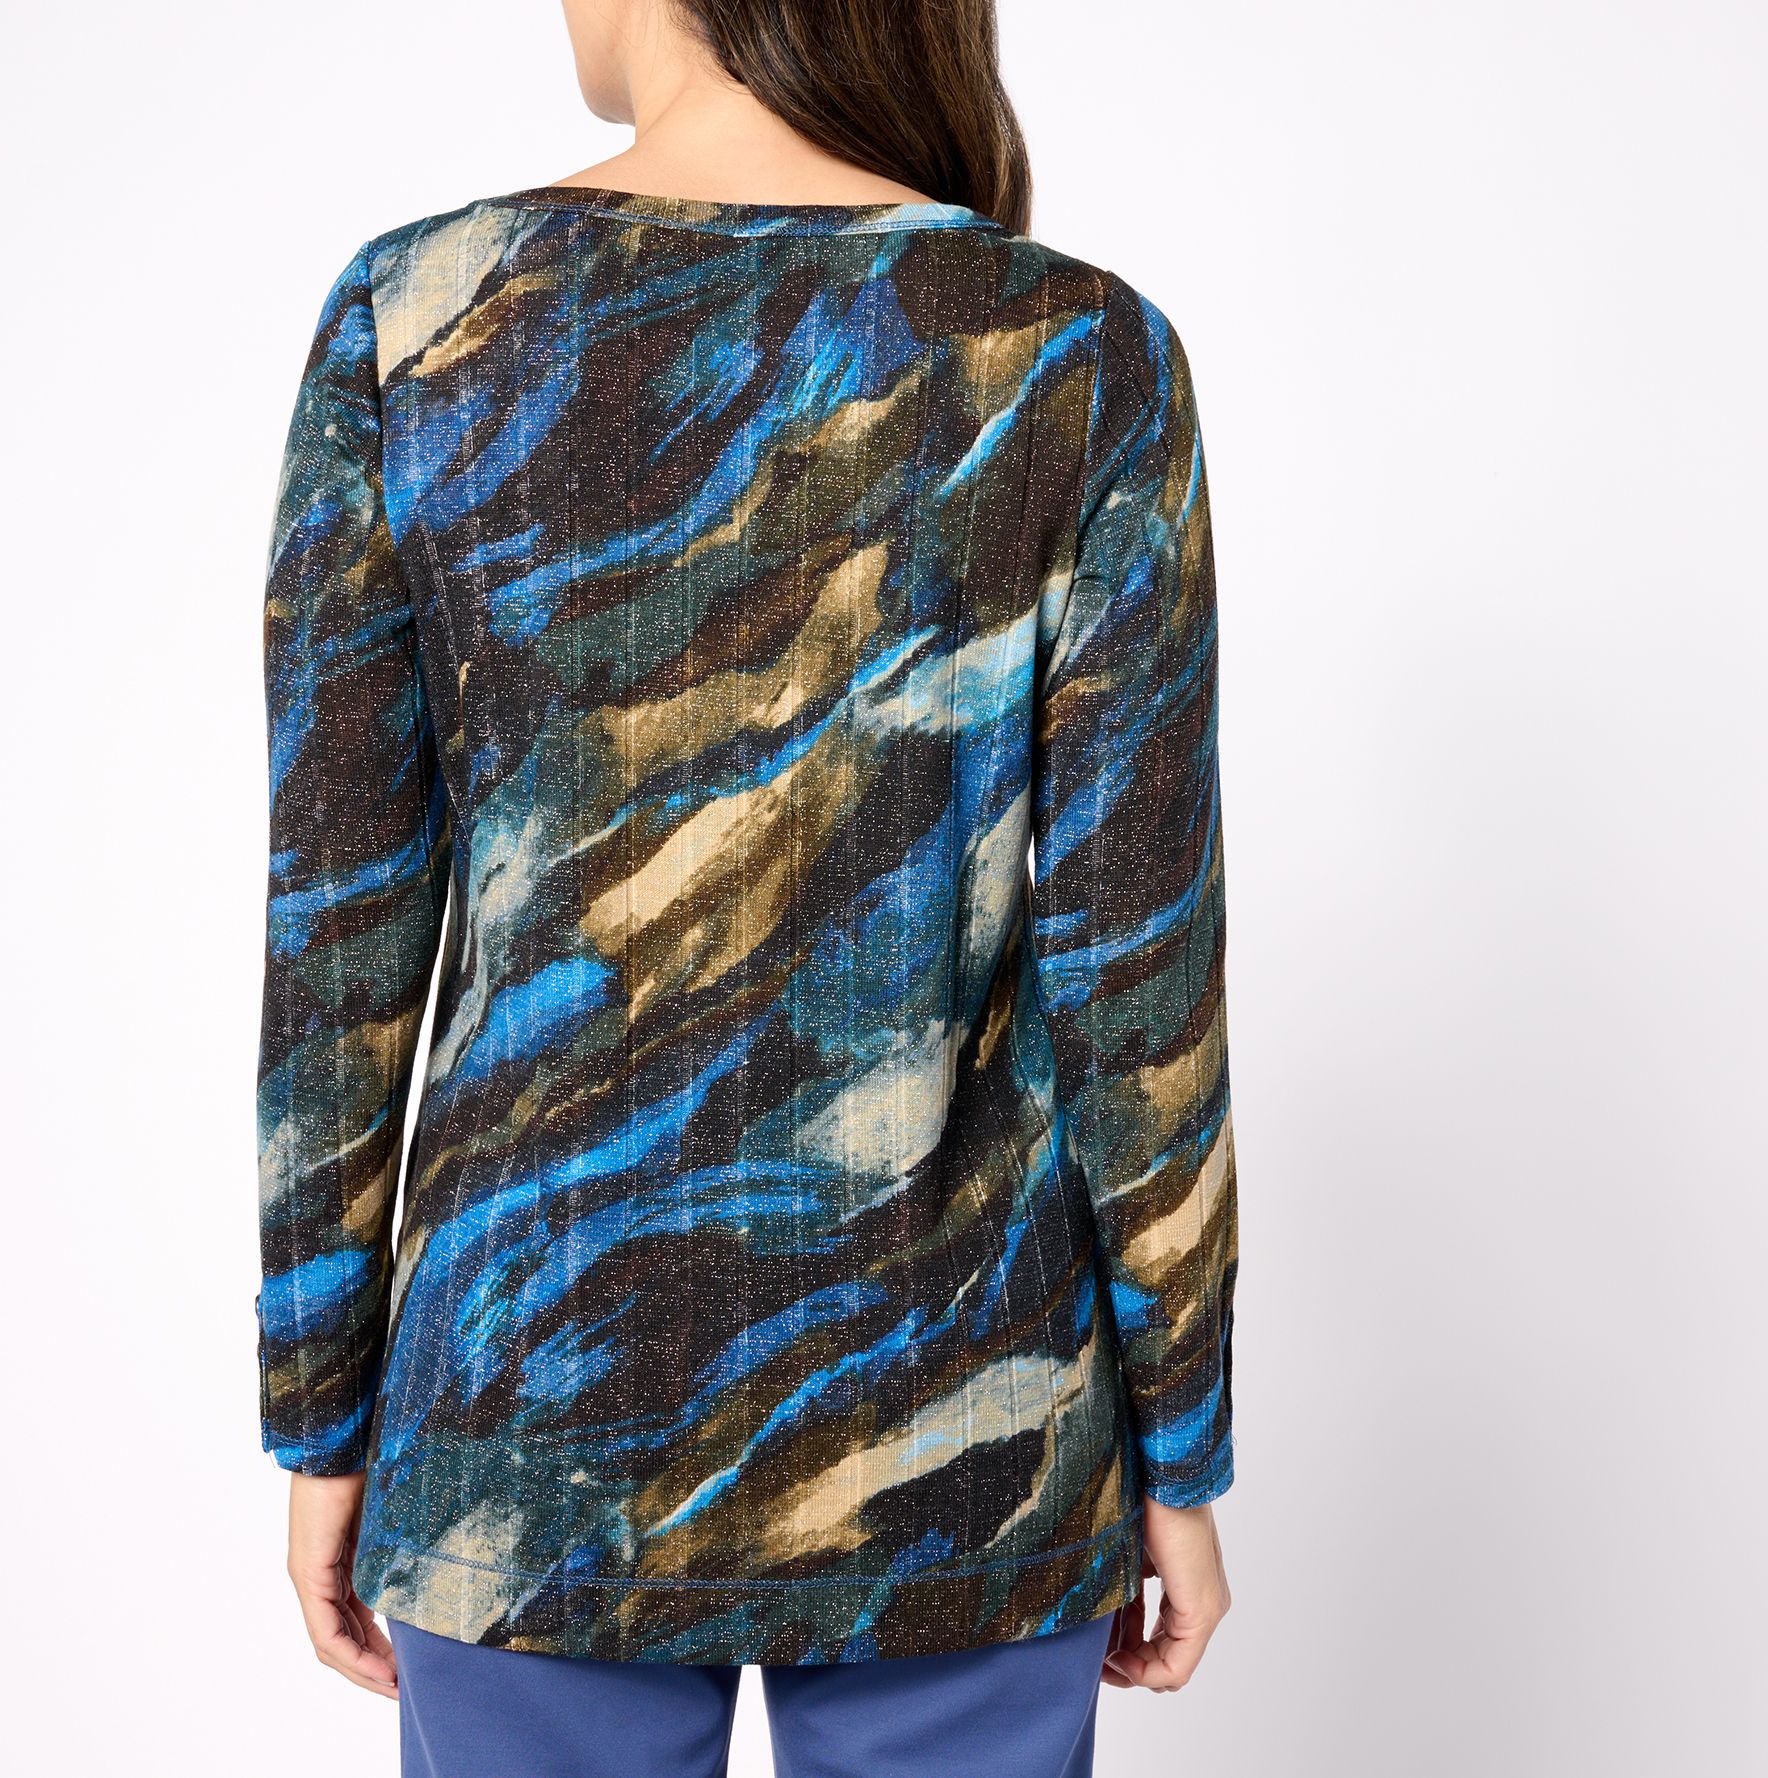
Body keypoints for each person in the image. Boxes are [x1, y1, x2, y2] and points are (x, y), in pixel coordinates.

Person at [254, 0, 1238, 1770]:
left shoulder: (417, 321)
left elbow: (341, 937)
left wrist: (324, 1412)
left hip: (523, 1428)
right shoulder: (1082, 354)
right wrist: (1179, 1447)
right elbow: (1139, 976)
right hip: (967, 1425)